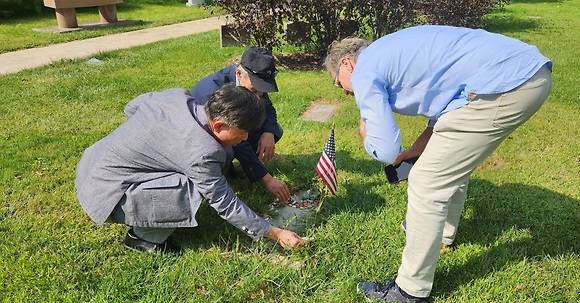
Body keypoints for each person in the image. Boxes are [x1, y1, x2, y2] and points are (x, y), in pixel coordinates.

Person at [325, 25, 552, 302]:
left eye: (339, 84)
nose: (346, 93)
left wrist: (367, 138)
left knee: (427, 181)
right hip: (525, 73)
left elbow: (385, 149)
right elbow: (447, 113)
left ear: (346, 64)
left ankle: (410, 291)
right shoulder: (388, 53)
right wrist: (413, 152)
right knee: (447, 165)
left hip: (507, 84)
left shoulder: (365, 70)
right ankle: (442, 235)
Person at [75, 85, 305, 254]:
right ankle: (143, 239)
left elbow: (132, 106)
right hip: (108, 195)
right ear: (218, 125)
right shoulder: (201, 153)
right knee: (193, 188)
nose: (245, 138)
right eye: (243, 133)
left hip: (90, 168)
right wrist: (274, 232)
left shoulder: (178, 97)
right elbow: (225, 203)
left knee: (222, 156)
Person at [191, 46, 290, 203]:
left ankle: (244, 165)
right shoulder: (212, 92)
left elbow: (268, 108)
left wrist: (268, 133)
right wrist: (267, 179)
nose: (259, 96)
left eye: (262, 92)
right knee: (229, 152)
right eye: (255, 90)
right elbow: (236, 140)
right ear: (239, 74)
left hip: (231, 131)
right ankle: (220, 173)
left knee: (276, 130)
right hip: (204, 141)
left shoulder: (253, 85)